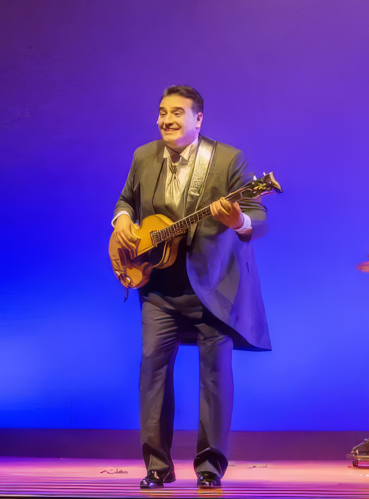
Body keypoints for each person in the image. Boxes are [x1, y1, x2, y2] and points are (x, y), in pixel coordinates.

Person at [112, 85, 270, 490]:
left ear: (198, 119)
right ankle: (157, 467)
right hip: (158, 287)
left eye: (177, 113)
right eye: (162, 112)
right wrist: (123, 220)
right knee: (152, 370)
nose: (166, 120)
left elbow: (258, 216)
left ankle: (209, 468)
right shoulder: (144, 156)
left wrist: (238, 221)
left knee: (215, 376)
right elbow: (126, 200)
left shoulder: (227, 159)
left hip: (211, 288)